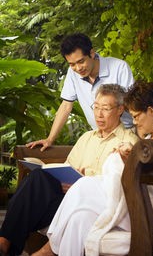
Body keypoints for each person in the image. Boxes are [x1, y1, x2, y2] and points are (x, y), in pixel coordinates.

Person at [31, 81, 153, 256]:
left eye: (136, 116)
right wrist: (128, 158)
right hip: (138, 202)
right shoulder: (148, 139)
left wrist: (133, 158)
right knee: (80, 216)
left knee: (86, 184)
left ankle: (51, 248)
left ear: (151, 112)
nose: (135, 123)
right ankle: (53, 248)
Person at [0, 84, 138, 256]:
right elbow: (66, 167)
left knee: (30, 203)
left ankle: (6, 244)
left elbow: (119, 185)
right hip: (65, 199)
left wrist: (83, 186)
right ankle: (4, 243)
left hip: (92, 207)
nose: (98, 114)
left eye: (105, 108)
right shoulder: (86, 138)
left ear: (120, 109)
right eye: (95, 107)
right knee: (38, 177)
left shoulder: (128, 143)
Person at [26, 33, 134, 152]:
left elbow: (132, 105)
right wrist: (50, 139)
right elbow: (66, 106)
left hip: (127, 133)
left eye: (81, 61)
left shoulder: (119, 67)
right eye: (72, 64)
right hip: (99, 136)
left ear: (92, 54)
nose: (78, 68)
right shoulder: (73, 73)